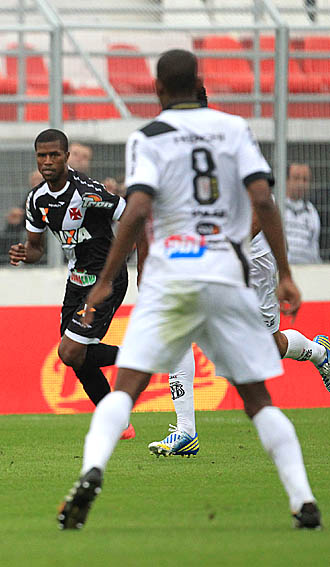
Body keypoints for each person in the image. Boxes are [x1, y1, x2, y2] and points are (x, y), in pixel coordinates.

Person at [57, 49, 321, 531]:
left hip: (172, 273)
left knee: (126, 388)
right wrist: (286, 273)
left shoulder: (148, 136)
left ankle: (92, 471)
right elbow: (263, 200)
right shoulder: (233, 129)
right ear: (199, 83)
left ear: (158, 89)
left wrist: (106, 279)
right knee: (258, 399)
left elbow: (137, 210)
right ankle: (302, 499)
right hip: (226, 271)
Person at [148, 87, 330, 457]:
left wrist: (232, 250)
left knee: (266, 345)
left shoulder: (229, 138)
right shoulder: (168, 145)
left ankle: (316, 353)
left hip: (251, 258)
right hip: (201, 258)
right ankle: (185, 431)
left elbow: (262, 204)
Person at [9, 129, 135, 439]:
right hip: (77, 281)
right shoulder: (36, 199)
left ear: (66, 157)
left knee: (70, 351)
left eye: (54, 155)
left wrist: (132, 257)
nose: (47, 161)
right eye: (42, 155)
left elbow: (132, 215)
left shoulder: (88, 192)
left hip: (105, 280)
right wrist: (25, 254)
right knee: (76, 357)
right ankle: (119, 423)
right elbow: (36, 248)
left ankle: (143, 357)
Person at [284, 163, 320, 264]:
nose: (300, 184)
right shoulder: (275, 206)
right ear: (286, 181)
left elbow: (314, 246)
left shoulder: (312, 212)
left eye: (305, 180)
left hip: (305, 269)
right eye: (296, 178)